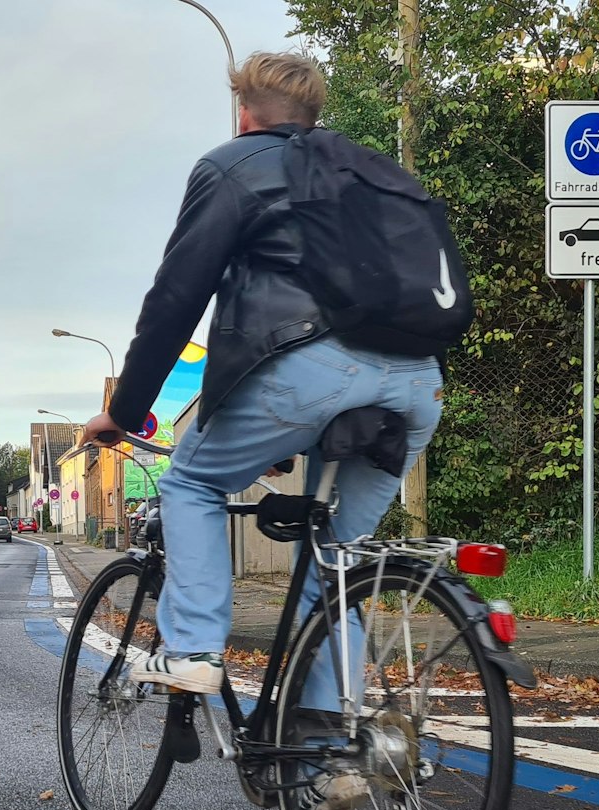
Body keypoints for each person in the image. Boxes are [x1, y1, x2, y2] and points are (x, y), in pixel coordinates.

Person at [82, 52, 444, 701]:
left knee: (190, 482)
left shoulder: (232, 164)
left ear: (243, 114)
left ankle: (192, 647)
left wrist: (125, 408)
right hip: (419, 380)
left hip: (306, 369)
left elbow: (176, 298)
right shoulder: (367, 172)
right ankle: (336, 755)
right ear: (313, 115)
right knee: (332, 564)